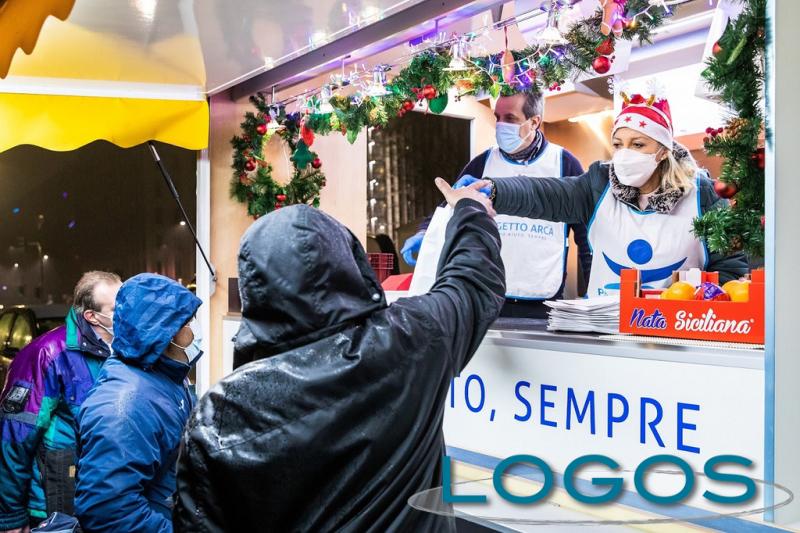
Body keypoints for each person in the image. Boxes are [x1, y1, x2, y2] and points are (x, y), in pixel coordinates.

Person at [174, 182, 505, 532]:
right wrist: (470, 212)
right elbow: (472, 281)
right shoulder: (413, 337)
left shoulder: (221, 414)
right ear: (353, 264)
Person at [479, 92, 749, 295]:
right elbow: (543, 194)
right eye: (618, 145)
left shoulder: (703, 195)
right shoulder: (598, 186)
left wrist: (700, 308)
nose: (625, 154)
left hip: (675, 336)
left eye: (638, 144)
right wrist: (493, 189)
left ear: (663, 150)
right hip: (603, 330)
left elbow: (730, 269)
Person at [402, 88, 592, 318]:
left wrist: (595, 294)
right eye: (497, 118)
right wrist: (424, 233)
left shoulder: (565, 163)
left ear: (534, 122)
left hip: (543, 300)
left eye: (510, 118)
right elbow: (449, 204)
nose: (501, 125)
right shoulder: (482, 163)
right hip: (488, 296)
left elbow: (586, 235)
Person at [74, 274, 201, 533]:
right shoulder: (124, 406)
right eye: (187, 323)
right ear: (165, 333)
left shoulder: (165, 375)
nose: (193, 331)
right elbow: (108, 513)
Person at [0, 271, 121, 533]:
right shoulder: (47, 354)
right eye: (116, 308)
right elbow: (15, 437)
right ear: (91, 316)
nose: (125, 312)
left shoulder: (124, 349)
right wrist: (10, 515)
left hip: (102, 497)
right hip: (55, 499)